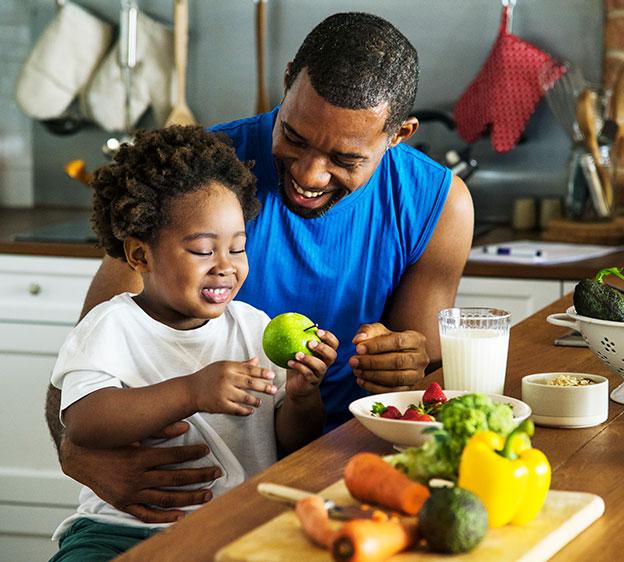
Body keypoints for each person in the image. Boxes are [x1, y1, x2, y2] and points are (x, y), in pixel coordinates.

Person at [45, 11, 473, 524]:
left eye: (345, 158)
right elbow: (79, 368)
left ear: (398, 134)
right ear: (288, 79)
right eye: (293, 135)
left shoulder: (438, 205)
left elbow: (421, 390)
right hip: (188, 497)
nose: (310, 174)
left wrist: (408, 364)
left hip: (359, 474)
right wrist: (80, 459)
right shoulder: (202, 180)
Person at [47, 125, 338, 560]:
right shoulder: (111, 326)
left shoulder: (253, 327)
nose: (225, 267)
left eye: (237, 249)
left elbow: (292, 441)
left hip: (235, 525)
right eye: (204, 251)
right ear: (140, 256)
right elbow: (84, 422)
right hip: (120, 528)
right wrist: (191, 391)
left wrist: (301, 397)